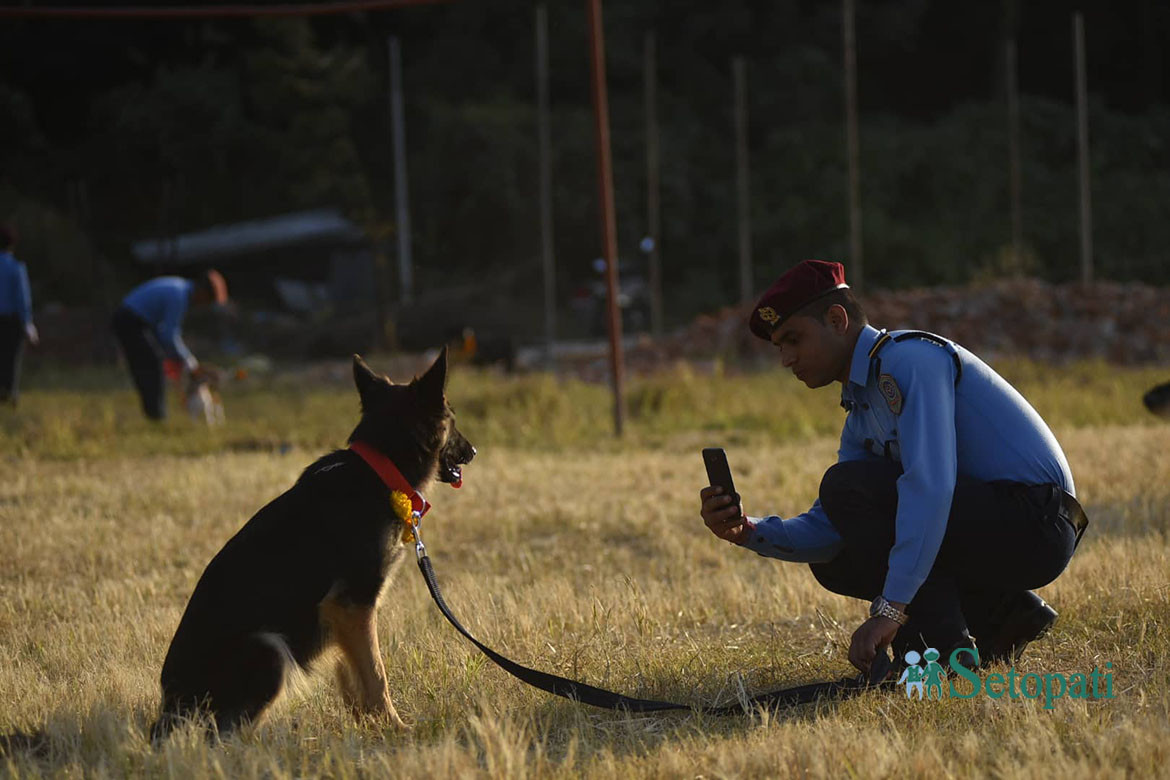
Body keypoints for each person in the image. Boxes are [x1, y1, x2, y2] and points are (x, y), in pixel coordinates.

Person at [700, 259, 1087, 677]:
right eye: (779, 347)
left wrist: (892, 609)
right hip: (1005, 523)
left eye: (794, 339)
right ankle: (1005, 617)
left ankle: (937, 653)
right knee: (837, 556)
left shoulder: (909, 360)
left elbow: (931, 487)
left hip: (1038, 523)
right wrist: (748, 531)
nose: (786, 359)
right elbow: (830, 528)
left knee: (847, 489)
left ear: (836, 319)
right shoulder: (862, 410)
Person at [111, 270, 227, 420]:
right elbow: (169, 335)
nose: (203, 305)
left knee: (151, 363)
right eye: (207, 301)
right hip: (130, 320)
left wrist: (176, 355)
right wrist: (188, 360)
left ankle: (155, 414)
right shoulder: (179, 296)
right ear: (203, 292)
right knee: (151, 364)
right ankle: (156, 417)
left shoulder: (179, 288)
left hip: (133, 320)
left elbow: (163, 333)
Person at [0, 226, 38, 406]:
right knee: (10, 359)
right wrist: (28, 324)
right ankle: (8, 395)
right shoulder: (16, 268)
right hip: (10, 321)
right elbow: (23, 299)